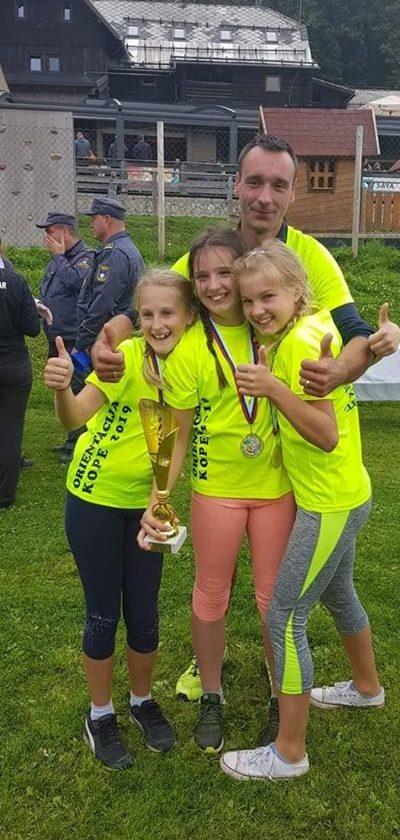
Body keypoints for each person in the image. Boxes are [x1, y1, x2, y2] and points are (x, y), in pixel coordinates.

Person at [90, 133, 400, 700]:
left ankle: (293, 675)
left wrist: (339, 371)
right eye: (254, 181)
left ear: (293, 193)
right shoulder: (208, 255)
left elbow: (356, 333)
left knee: (279, 590)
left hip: (298, 464)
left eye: (278, 185)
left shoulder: (311, 256)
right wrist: (108, 338)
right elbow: (146, 309)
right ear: (236, 185)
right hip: (225, 465)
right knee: (220, 576)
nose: (264, 196)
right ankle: (215, 665)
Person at [219, 240, 383, 780]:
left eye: (267, 297)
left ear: (297, 291)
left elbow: (326, 434)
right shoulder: (310, 329)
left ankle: (289, 752)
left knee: (284, 617)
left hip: (329, 502)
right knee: (339, 594)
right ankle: (367, 688)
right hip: (346, 493)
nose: (256, 310)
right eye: (248, 301)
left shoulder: (299, 347)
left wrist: (271, 389)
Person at [138, 227, 296, 754]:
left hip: (276, 489)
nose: (213, 285)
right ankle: (212, 693)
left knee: (273, 598)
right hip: (217, 492)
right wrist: (159, 494)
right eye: (201, 276)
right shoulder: (189, 349)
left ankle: (280, 694)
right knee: (210, 594)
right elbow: (175, 431)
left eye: (224, 272)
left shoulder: (272, 326)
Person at [44, 269, 196, 769]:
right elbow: (74, 417)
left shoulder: (189, 367)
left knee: (145, 612)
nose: (156, 324)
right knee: (103, 612)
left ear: (189, 317)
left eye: (167, 313)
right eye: (147, 313)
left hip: (143, 508)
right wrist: (62, 389)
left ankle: (141, 701)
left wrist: (158, 501)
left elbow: (174, 438)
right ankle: (100, 713)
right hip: (93, 502)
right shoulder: (127, 357)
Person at [36, 212, 94, 463]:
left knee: (77, 386)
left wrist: (59, 256)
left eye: (50, 232)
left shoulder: (86, 258)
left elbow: (74, 282)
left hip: (74, 338)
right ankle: (71, 439)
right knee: (63, 387)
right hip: (56, 334)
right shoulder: (57, 261)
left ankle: (79, 444)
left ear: (64, 232)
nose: (46, 238)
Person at [75, 197, 144, 370]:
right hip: (119, 336)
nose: (90, 225)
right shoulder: (127, 248)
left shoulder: (115, 253)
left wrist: (83, 341)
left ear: (106, 220)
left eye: (93, 219)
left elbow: (103, 303)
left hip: (107, 339)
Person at [0, 248, 40, 508]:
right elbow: (33, 328)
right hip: (14, 364)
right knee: (11, 429)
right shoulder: (16, 282)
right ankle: (4, 496)